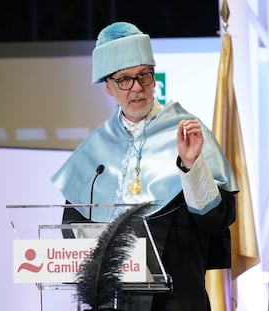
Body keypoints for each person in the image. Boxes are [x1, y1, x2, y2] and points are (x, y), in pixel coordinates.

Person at [51, 21, 239, 311]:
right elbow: (72, 231)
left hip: (177, 300)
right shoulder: (95, 149)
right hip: (112, 302)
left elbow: (216, 220)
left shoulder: (186, 132)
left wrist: (191, 167)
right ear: (109, 87)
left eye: (144, 76)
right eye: (125, 79)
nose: (137, 88)